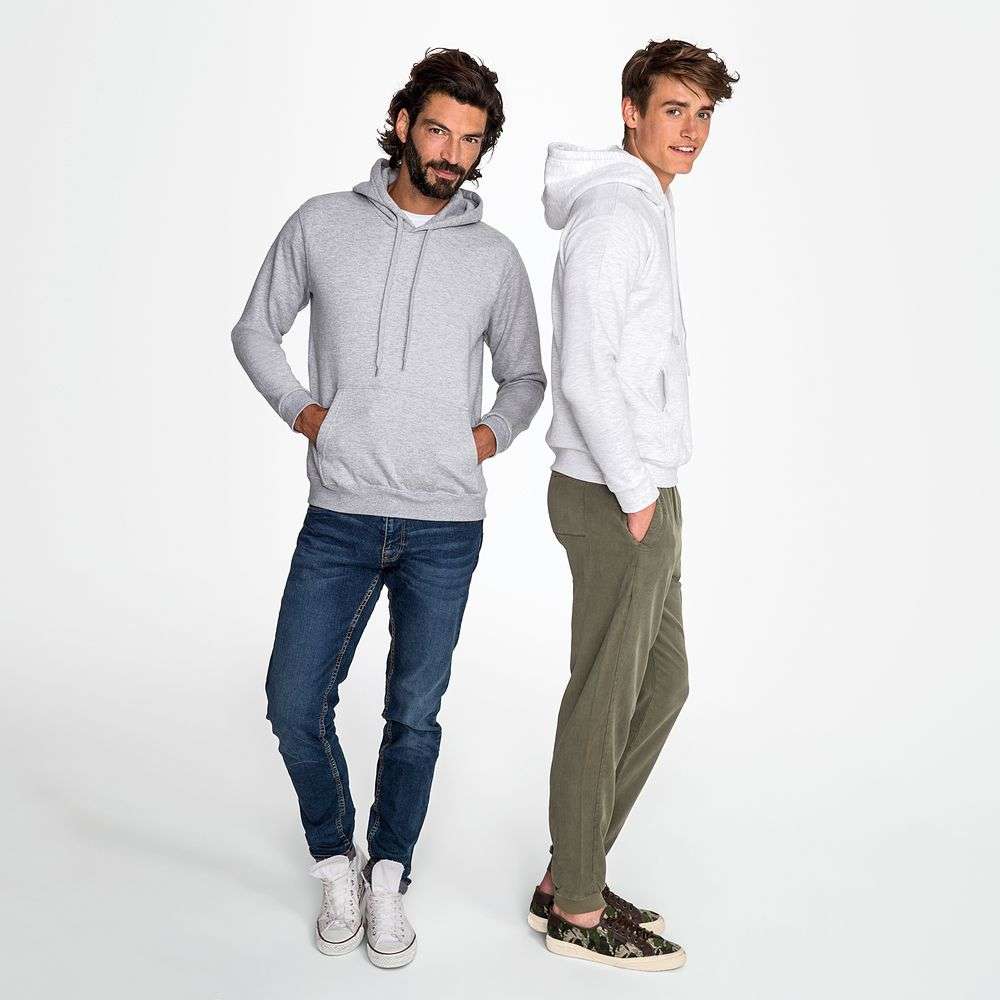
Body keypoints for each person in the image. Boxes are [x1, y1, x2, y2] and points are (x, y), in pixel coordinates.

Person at [231, 47, 546, 969]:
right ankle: (337, 860)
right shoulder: (323, 224)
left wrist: (481, 439)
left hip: (447, 524)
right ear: (404, 124)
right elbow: (255, 328)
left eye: (471, 141)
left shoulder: (493, 257)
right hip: (342, 512)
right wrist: (306, 414)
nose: (451, 153)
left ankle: (389, 877)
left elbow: (526, 377)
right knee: (294, 700)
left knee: (414, 712)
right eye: (439, 130)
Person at [530, 38, 738, 971]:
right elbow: (585, 370)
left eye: (703, 115)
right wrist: (637, 490)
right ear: (631, 111)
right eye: (673, 110)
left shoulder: (645, 204)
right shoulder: (616, 214)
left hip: (644, 489)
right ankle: (577, 907)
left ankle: (568, 871)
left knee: (662, 682)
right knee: (604, 698)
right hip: (617, 493)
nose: (690, 131)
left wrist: (652, 489)